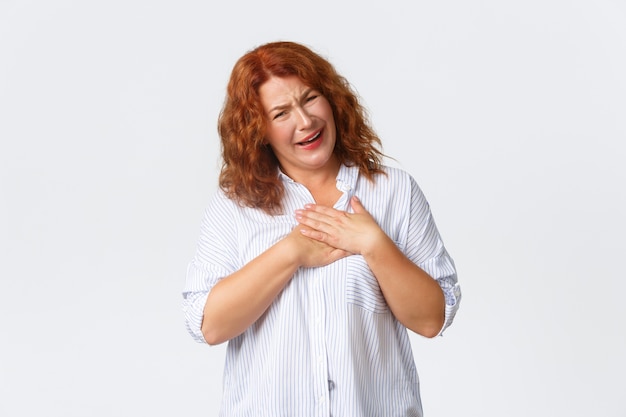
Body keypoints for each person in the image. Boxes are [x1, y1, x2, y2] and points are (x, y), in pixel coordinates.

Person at [182, 41, 461, 417]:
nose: (305, 121)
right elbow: (208, 325)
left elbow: (432, 319)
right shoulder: (235, 205)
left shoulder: (394, 191)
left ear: (331, 99)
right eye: (281, 113)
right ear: (259, 129)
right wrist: (291, 252)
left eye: (310, 98)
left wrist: (374, 245)